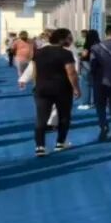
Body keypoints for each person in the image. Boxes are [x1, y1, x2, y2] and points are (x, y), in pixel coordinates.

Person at [19, 28, 79, 156]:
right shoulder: (66, 53)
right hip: (62, 89)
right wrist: (76, 88)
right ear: (61, 39)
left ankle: (40, 147)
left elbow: (34, 69)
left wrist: (33, 83)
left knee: (41, 119)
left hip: (42, 89)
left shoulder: (38, 52)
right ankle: (60, 143)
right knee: (64, 117)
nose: (70, 40)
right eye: (69, 38)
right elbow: (71, 72)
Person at [78, 29, 101, 110]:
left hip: (86, 65)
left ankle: (86, 103)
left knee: (85, 84)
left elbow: (84, 54)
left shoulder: (87, 44)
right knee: (96, 84)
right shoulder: (99, 45)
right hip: (97, 66)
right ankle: (96, 102)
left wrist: (80, 57)